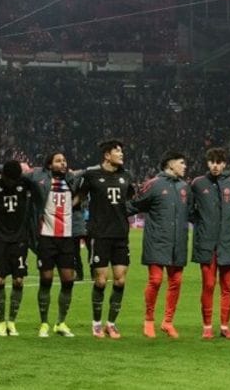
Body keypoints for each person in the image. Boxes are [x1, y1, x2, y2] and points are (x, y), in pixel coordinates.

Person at [188, 147, 230, 340]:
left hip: (228, 243)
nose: (215, 166)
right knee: (208, 285)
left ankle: (225, 327)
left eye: (219, 162)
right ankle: (207, 327)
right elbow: (189, 209)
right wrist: (202, 224)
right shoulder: (198, 183)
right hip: (207, 244)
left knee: (227, 287)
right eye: (212, 162)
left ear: (224, 164)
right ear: (207, 163)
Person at [130, 152, 191, 339]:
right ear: (170, 164)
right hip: (157, 240)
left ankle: (168, 322)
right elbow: (134, 205)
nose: (185, 166)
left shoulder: (184, 187)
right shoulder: (153, 184)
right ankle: (149, 320)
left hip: (178, 242)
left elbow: (191, 213)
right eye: (181, 163)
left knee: (176, 282)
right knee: (155, 280)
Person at [77, 139, 134, 338]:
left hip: (120, 235)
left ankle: (111, 324)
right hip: (99, 235)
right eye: (117, 151)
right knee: (101, 281)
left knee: (120, 280)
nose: (121, 154)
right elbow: (78, 198)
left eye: (122, 151)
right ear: (107, 155)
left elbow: (131, 200)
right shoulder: (91, 175)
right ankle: (96, 323)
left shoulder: (126, 176)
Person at [29, 152, 80, 338]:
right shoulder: (41, 179)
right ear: (50, 165)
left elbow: (84, 186)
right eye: (58, 161)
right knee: (46, 280)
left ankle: (61, 323)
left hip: (66, 237)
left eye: (64, 160)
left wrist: (76, 202)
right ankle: (44, 323)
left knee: (68, 280)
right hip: (46, 237)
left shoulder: (71, 181)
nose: (63, 163)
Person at [0, 160, 35, 336]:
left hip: (20, 239)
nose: (12, 182)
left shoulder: (25, 183)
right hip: (0, 239)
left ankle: (12, 322)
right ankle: (1, 322)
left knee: (18, 280)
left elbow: (38, 186)